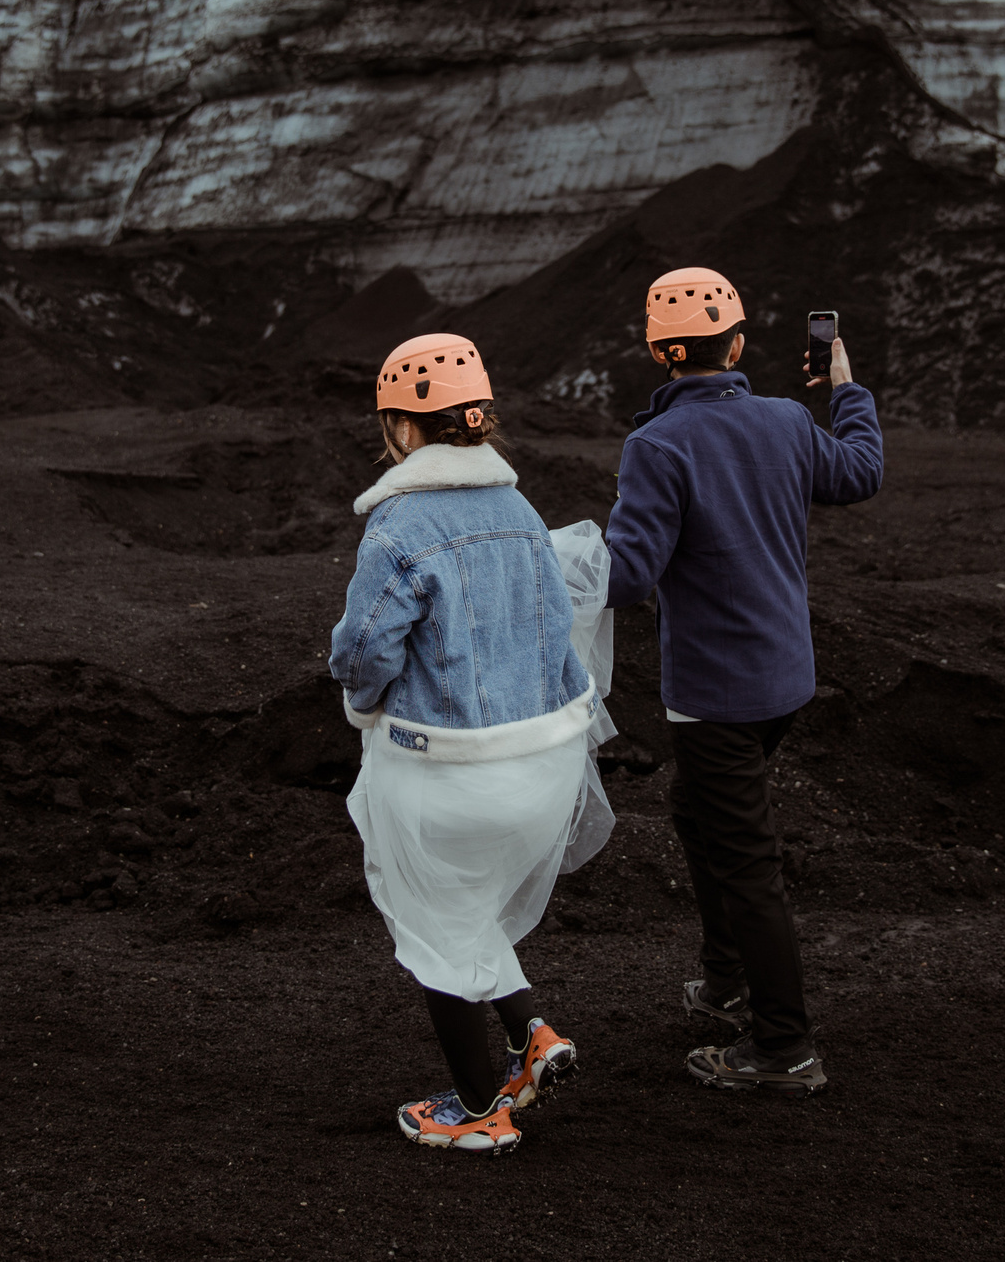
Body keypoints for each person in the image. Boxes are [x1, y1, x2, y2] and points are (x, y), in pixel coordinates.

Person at [329, 332, 611, 1155]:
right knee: (465, 904)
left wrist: (363, 706)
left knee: (431, 920)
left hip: (451, 774)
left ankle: (480, 1109)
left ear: (401, 427)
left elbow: (362, 653)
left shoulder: (398, 526)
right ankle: (530, 1035)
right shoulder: (521, 512)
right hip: (546, 766)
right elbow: (557, 630)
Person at [604, 268, 883, 1094]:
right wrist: (846, 387)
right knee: (698, 811)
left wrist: (554, 557)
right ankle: (725, 981)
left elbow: (627, 577)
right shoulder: (789, 419)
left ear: (659, 352)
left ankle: (783, 1045)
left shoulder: (657, 446)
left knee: (747, 863)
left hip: (713, 697)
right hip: (784, 681)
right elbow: (859, 470)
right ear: (736, 345)